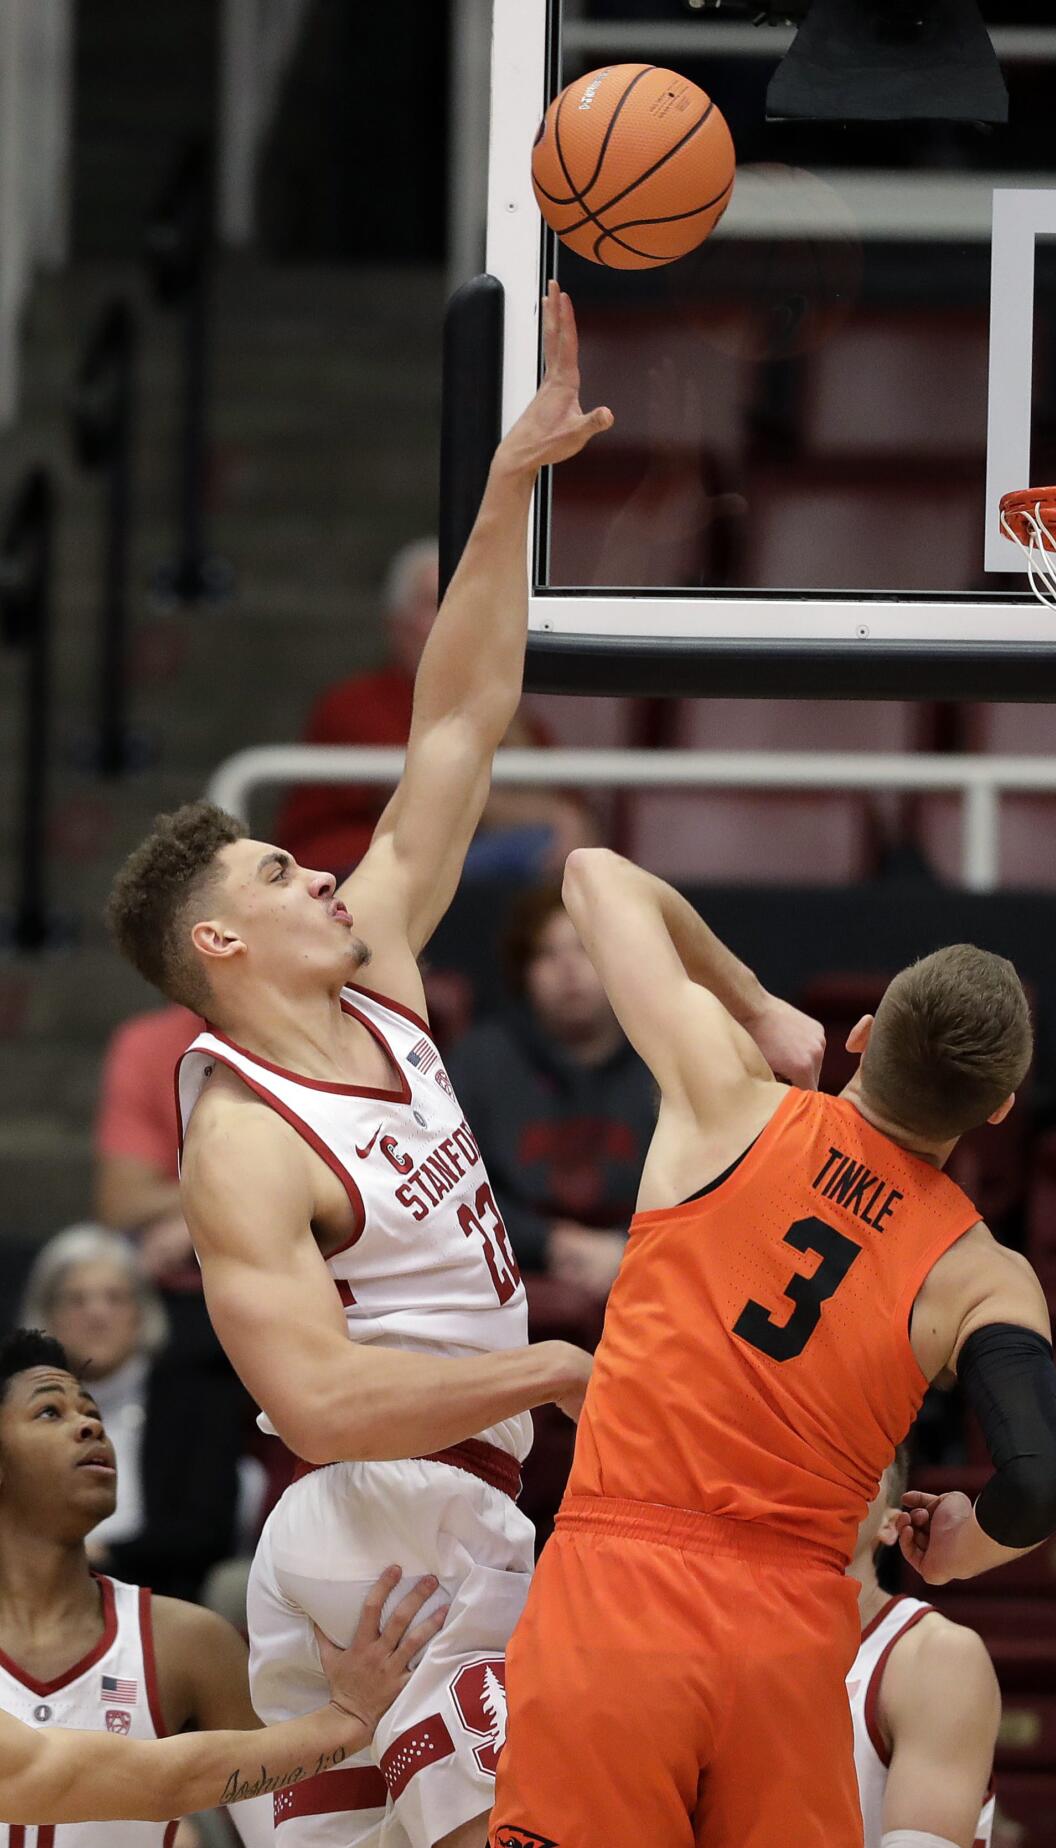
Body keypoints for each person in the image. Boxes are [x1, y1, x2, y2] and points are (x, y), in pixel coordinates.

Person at [104, 284, 609, 1848]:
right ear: (220, 954)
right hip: (385, 1517)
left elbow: (458, 718)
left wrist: (508, 491)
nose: (316, 876)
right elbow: (317, 1401)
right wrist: (561, 1366)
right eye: (272, 876)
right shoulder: (246, 1137)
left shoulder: (379, 967)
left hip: (439, 1505)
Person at [490, 849, 1056, 1848]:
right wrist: (962, 1545)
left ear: (860, 1037)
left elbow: (593, 875)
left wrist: (754, 1001)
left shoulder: (726, 1098)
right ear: (994, 1110)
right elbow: (1041, 1480)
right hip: (792, 1635)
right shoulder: (983, 1273)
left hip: (617, 1592)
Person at [0, 1328, 444, 1838]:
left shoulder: (190, 1642)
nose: (88, 1427)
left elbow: (286, 1832)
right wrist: (343, 1718)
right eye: (49, 1412)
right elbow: (158, 1781)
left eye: (93, 1413)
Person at [275, 537, 595, 882]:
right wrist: (552, 816)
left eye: (466, 603)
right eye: (434, 603)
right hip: (348, 869)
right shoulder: (353, 702)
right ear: (396, 623)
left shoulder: (500, 704)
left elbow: (567, 800)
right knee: (539, 844)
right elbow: (427, 797)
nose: (454, 618)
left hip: (457, 868)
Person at [20, 1225, 252, 1604]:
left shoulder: (198, 1398)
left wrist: (101, 1555)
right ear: (47, 1315)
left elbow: (206, 1531)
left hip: (161, 1590)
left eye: (115, 1298)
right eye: (77, 1300)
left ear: (141, 1312)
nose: (97, 1315)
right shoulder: (16, 1403)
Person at [448, 882, 657, 1301]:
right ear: (523, 971)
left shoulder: (666, 1057)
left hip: (652, 1265)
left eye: (585, 948)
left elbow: (709, 1186)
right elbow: (454, 1188)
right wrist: (549, 1241)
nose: (568, 969)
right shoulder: (480, 1058)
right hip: (510, 1273)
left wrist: (628, 1248)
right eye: (546, 953)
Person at [848, 1452, 999, 1848]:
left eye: (850, 1459)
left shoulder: (934, 1655)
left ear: (890, 1523)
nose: (823, 1478)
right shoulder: (725, 1643)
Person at [94, 1004, 202, 1288]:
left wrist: (205, 1226)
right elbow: (123, 1202)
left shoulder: (319, 1036)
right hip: (167, 1276)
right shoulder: (150, 1042)